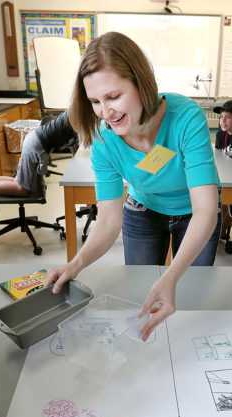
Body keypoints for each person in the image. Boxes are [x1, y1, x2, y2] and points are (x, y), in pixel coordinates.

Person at [48, 32, 221, 339]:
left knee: (189, 291)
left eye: (113, 97)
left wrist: (171, 276)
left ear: (141, 83)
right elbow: (108, 221)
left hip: (193, 214)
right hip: (143, 209)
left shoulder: (185, 117)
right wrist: (75, 265)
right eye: (95, 102)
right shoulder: (103, 140)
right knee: (141, 291)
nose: (105, 112)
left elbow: (206, 211)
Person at [0, 111, 78, 195]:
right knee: (22, 189)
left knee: (17, 181)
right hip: (36, 143)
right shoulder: (79, 116)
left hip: (34, 139)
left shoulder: (75, 111)